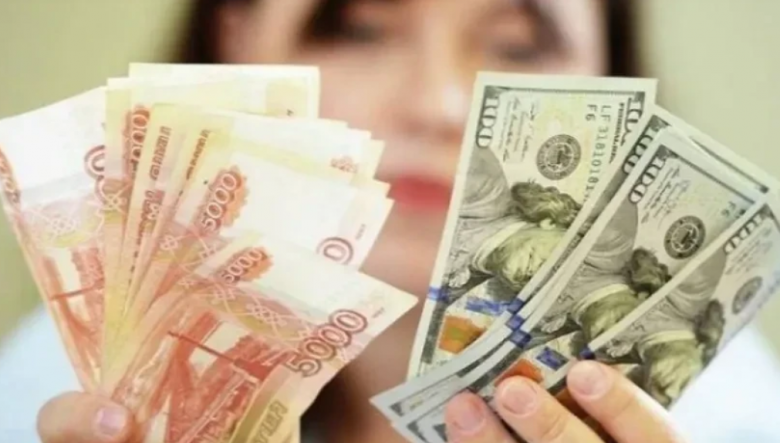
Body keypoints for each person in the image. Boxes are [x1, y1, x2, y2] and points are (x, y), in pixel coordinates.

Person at [1, 0, 778, 442]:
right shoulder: (60, 390)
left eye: (519, 45)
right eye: (360, 26)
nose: (439, 102)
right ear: (238, 39)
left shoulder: (734, 415)